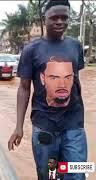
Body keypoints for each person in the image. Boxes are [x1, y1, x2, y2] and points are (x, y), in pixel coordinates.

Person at [8, 0, 87, 179]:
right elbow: (24, 89)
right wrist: (18, 127)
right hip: (45, 126)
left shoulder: (75, 46)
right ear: (45, 19)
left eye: (64, 18)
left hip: (73, 126)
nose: (60, 22)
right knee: (49, 175)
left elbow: (77, 81)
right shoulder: (31, 50)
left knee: (76, 174)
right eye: (54, 18)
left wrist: (80, 113)